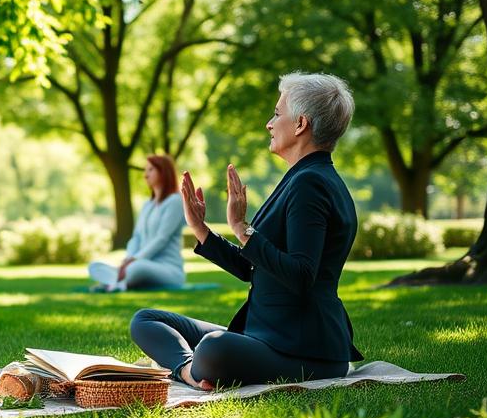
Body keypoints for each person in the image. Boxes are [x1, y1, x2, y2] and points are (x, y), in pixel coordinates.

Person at [131, 72, 364, 389]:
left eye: (277, 114)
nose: (270, 123)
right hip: (266, 335)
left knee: (214, 347)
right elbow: (253, 267)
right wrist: (201, 229)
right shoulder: (302, 178)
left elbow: (301, 274)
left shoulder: (311, 183)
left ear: (300, 125)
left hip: (304, 349)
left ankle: (191, 368)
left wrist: (242, 229)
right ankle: (190, 368)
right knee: (146, 320)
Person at [88, 154, 186, 292]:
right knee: (94, 266)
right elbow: (136, 237)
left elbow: (162, 238)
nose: (145, 175)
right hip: (141, 262)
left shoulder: (175, 201)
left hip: (169, 270)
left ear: (163, 172)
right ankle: (120, 279)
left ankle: (116, 282)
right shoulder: (147, 205)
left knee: (136, 268)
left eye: (151, 170)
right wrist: (128, 258)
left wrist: (133, 260)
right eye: (145, 170)